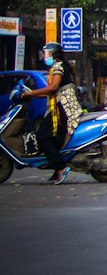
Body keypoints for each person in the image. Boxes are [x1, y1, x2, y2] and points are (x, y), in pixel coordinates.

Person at [20, 43, 83, 182]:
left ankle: (61, 167)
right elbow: (52, 92)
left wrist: (32, 92)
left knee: (42, 136)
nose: (45, 56)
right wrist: (32, 95)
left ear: (54, 54)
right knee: (54, 139)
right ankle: (56, 168)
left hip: (63, 109)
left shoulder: (58, 66)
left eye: (47, 53)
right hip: (59, 107)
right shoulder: (59, 66)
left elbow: (53, 88)